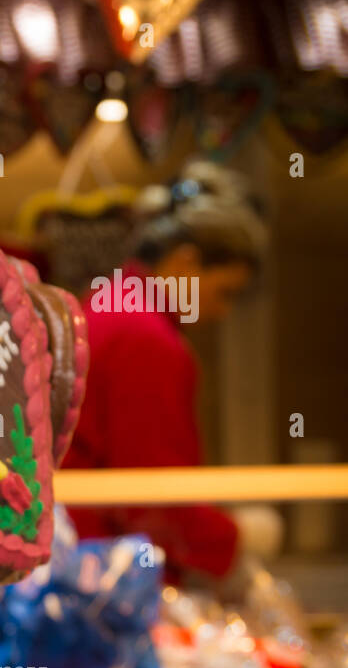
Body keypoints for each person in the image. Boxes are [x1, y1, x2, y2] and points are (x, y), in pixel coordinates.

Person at [63, 161, 269, 583]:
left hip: (76, 559)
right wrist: (237, 542)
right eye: (223, 292)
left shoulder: (109, 302)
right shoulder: (144, 336)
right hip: (102, 578)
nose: (221, 311)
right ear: (186, 262)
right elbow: (154, 497)